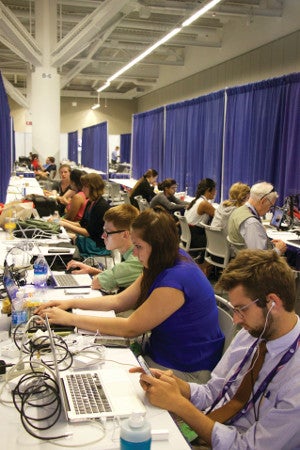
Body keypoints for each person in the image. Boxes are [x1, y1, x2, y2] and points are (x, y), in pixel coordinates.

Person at [132, 249, 300, 450]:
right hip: (212, 429)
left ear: (273, 302)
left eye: (242, 309)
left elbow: (245, 447)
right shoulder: (252, 334)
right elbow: (213, 392)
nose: (236, 320)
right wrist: (177, 386)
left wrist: (180, 405)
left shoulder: (294, 378)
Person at [36, 208, 224, 382]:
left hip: (185, 370)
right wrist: (68, 303)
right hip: (162, 355)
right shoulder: (165, 259)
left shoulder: (177, 278)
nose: (134, 252)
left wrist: (69, 319)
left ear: (157, 246)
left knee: (104, 377)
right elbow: (120, 301)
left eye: (139, 247)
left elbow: (130, 328)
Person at [66, 204, 143, 292]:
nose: (103, 236)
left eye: (108, 232)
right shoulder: (129, 255)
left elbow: (96, 283)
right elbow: (117, 277)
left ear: (125, 234)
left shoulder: (135, 261)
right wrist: (91, 270)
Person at [228, 181, 286, 255]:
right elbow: (259, 259)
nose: (269, 210)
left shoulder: (237, 211)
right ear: (263, 201)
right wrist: (278, 250)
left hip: (240, 259)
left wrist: (267, 243)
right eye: (271, 206)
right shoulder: (252, 223)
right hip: (252, 264)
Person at [60, 173, 110, 257]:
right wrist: (62, 221)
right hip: (89, 241)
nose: (82, 189)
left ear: (93, 188)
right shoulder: (90, 202)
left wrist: (65, 224)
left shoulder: (101, 207)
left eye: (85, 187)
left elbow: (88, 233)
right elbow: (81, 224)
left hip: (96, 247)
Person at [185, 178, 216, 249]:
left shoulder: (196, 201)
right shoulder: (204, 203)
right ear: (208, 190)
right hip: (196, 238)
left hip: (188, 236)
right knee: (221, 241)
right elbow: (219, 217)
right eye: (214, 190)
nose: (215, 192)